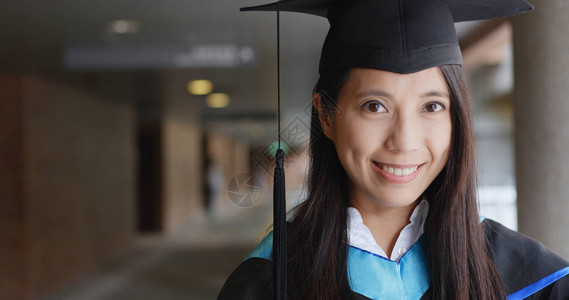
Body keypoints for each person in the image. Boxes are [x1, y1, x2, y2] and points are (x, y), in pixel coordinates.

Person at [218, 0, 569, 299]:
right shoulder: (267, 282)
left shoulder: (530, 277)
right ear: (326, 116)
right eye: (374, 106)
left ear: (456, 118)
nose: (404, 140)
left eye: (432, 106)